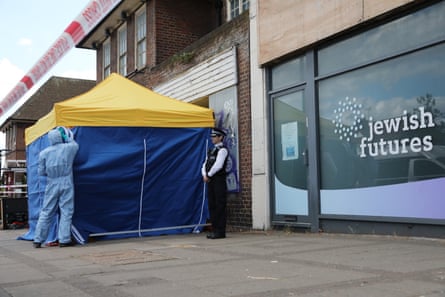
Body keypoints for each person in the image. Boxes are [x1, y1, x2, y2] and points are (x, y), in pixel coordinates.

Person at [33, 127, 79, 248]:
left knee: (46, 211)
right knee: (66, 211)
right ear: (60, 137)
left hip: (52, 183)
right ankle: (64, 239)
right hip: (66, 181)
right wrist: (67, 136)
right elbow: (74, 144)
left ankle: (38, 239)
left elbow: (41, 172)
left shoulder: (44, 153)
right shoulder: (69, 148)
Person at [202, 128, 228, 239]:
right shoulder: (211, 150)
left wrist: (209, 175)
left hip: (218, 180)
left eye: (215, 136)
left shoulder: (222, 150)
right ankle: (215, 229)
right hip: (210, 180)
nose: (212, 138)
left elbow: (218, 165)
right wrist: (204, 174)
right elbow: (204, 164)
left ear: (220, 137)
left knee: (220, 205)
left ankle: (220, 231)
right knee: (212, 205)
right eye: (212, 136)